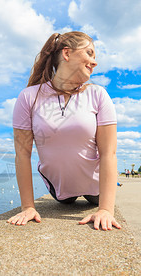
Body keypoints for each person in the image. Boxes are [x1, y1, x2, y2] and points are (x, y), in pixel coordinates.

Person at [7, 31, 121, 231]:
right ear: (66, 54)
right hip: (59, 190)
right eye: (89, 53)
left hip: (96, 187)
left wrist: (106, 210)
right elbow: (23, 154)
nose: (94, 62)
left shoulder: (98, 95)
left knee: (96, 198)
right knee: (65, 201)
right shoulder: (29, 97)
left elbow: (108, 153)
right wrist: (28, 207)